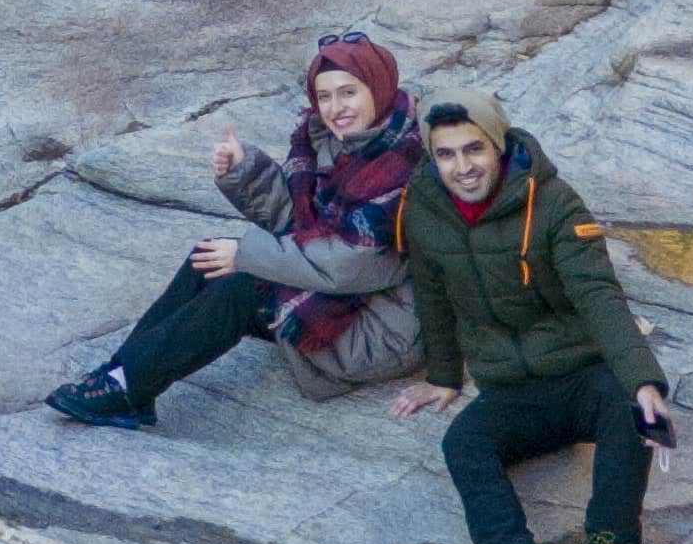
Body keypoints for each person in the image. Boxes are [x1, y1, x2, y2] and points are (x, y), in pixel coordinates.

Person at [396, 91, 672, 544]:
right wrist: (445, 376)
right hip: (511, 388)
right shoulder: (424, 210)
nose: (462, 167)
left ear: (498, 145)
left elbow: (598, 294)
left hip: (581, 372)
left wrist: (644, 382)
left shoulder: (554, 203)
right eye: (446, 154)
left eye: (474, 149)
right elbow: (430, 294)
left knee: (627, 410)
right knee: (463, 442)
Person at [47, 35, 419, 427]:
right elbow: (298, 224)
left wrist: (245, 255)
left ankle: (126, 386)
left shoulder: (404, 166)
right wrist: (247, 173)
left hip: (378, 330)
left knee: (243, 286)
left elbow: (350, 266)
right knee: (207, 258)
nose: (335, 108)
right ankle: (124, 378)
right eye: (324, 96)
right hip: (342, 297)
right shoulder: (337, 142)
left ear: (378, 87)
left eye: (348, 93)